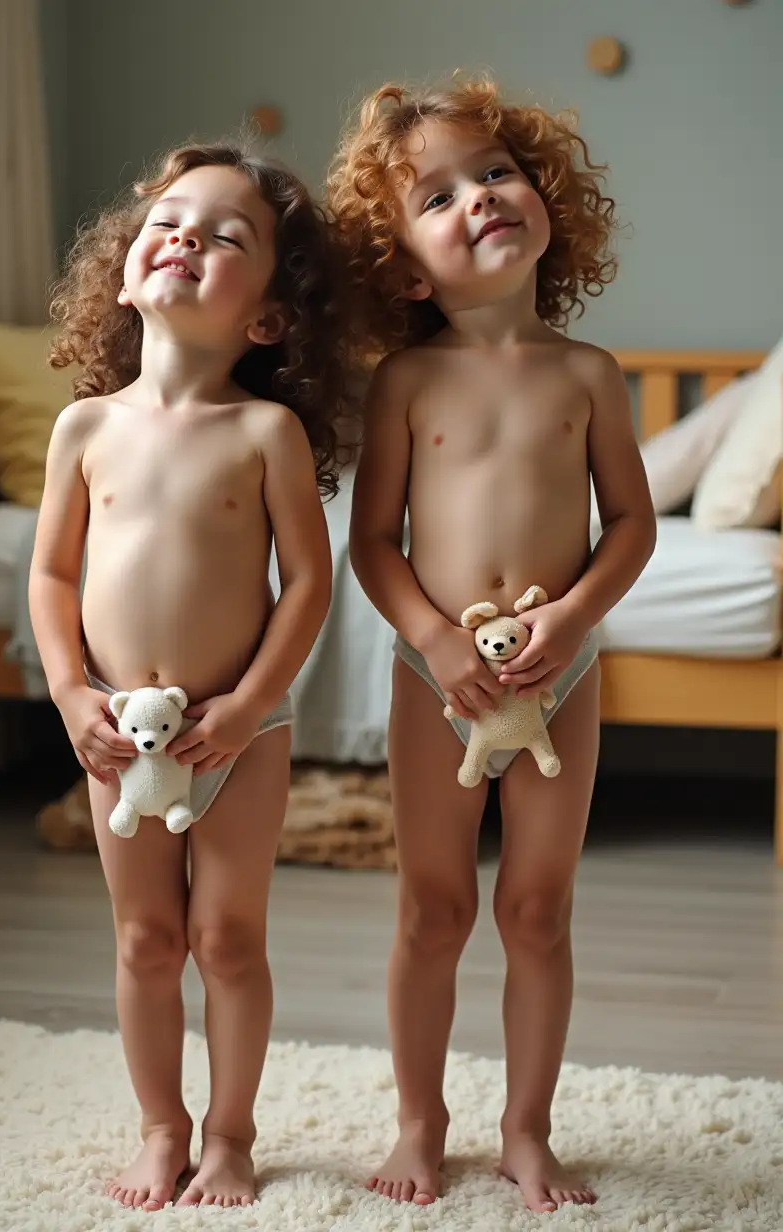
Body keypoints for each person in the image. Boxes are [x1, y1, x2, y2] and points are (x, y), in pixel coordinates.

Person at [327, 78, 656, 1213]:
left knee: (536, 907)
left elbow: (631, 522)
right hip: (439, 678)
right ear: (406, 267)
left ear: (545, 197)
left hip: (562, 676)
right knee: (432, 905)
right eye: (438, 194)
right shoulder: (404, 382)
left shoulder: (589, 374)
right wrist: (430, 636)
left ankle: (526, 1127)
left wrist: (571, 621)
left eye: (497, 173)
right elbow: (372, 542)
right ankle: (421, 1119)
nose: (480, 198)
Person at [30, 141, 355, 1211]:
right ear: (127, 274)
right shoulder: (86, 426)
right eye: (169, 223)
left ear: (266, 317)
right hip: (119, 731)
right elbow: (52, 571)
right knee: (144, 936)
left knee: (225, 935)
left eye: (227, 236)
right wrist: (74, 691)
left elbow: (307, 582)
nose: (187, 241)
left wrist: (256, 701)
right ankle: (161, 1125)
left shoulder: (265, 432)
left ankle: (230, 1132)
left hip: (238, 735)